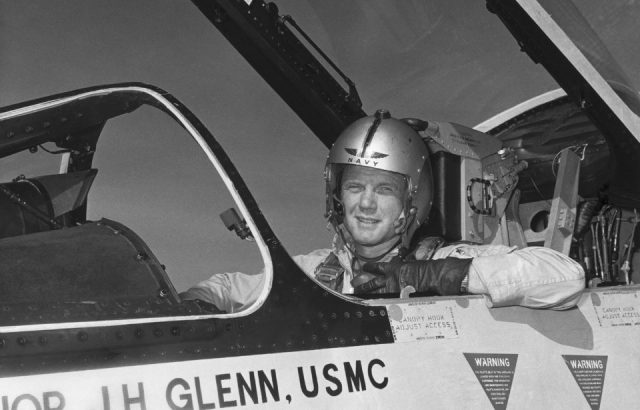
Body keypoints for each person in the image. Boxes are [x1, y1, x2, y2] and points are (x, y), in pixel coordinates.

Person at [181, 110, 585, 312]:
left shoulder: (445, 260)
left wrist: (420, 276)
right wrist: (188, 304)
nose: (366, 203)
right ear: (337, 195)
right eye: (355, 186)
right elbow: (226, 289)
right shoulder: (321, 271)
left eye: (385, 190)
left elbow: (563, 276)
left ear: (412, 202)